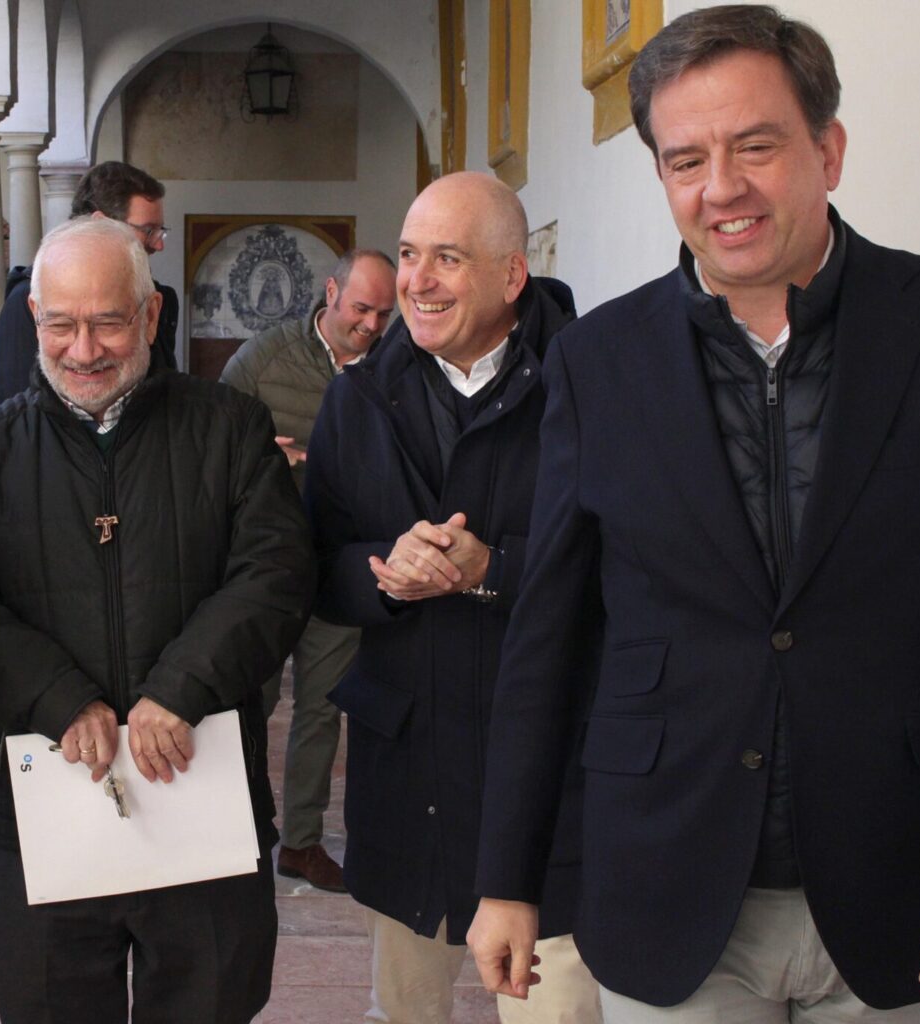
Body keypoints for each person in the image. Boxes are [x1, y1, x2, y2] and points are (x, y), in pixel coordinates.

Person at [467, 9, 920, 1024]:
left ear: (828, 150)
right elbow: (550, 633)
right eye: (686, 159)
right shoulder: (599, 361)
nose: (722, 187)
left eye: (755, 145)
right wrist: (507, 872)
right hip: (670, 886)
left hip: (910, 897)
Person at [0, 217, 312, 1023]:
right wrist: (60, 699)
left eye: (108, 322)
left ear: (152, 315)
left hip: (200, 803)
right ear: (35, 321)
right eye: (61, 323)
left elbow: (277, 573)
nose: (83, 348)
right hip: (46, 817)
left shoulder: (229, 429)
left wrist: (179, 689)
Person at [304, 172, 599, 1024]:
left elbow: (631, 563)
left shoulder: (587, 387)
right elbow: (315, 566)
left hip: (549, 765)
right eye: (406, 255)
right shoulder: (358, 397)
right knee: (410, 1010)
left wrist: (493, 569)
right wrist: (382, 572)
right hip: (412, 772)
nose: (416, 281)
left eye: (447, 259)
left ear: (513, 277)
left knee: (556, 1010)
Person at [218, 248, 396, 892]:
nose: (371, 324)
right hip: (265, 567)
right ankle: (236, 834)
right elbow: (207, 440)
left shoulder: (396, 363)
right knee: (250, 704)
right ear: (330, 292)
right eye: (360, 308)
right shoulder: (267, 356)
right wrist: (255, 451)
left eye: (383, 312)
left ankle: (300, 841)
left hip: (343, 564)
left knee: (322, 708)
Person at [0, 161, 178, 402]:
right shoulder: (27, 299)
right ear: (101, 222)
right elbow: (18, 410)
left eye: (110, 322)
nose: (158, 244)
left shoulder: (159, 299)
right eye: (148, 230)